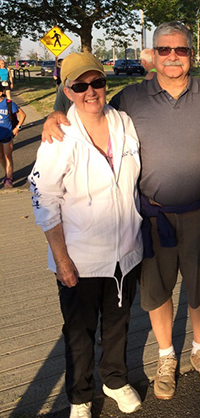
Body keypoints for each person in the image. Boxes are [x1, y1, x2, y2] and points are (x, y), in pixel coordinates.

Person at [41, 21, 200, 401]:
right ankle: (166, 357)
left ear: (192, 55)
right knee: (156, 291)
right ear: (153, 55)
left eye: (181, 50)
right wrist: (55, 114)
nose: (173, 57)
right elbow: (88, 106)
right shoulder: (131, 98)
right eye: (165, 50)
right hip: (152, 217)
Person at [29, 52, 143, 418]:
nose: (91, 91)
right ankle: (79, 396)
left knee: (118, 325)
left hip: (125, 252)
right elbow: (43, 196)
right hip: (79, 256)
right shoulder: (59, 134)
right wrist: (61, 259)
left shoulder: (124, 122)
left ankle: (115, 380)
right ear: (68, 90)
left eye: (97, 82)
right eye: (80, 85)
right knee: (79, 334)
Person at [0, 84, 26, 189]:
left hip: (7, 135)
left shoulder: (8, 103)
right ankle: (7, 173)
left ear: (1, 92)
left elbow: (23, 115)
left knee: (7, 156)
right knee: (1, 157)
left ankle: (9, 178)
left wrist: (17, 127)